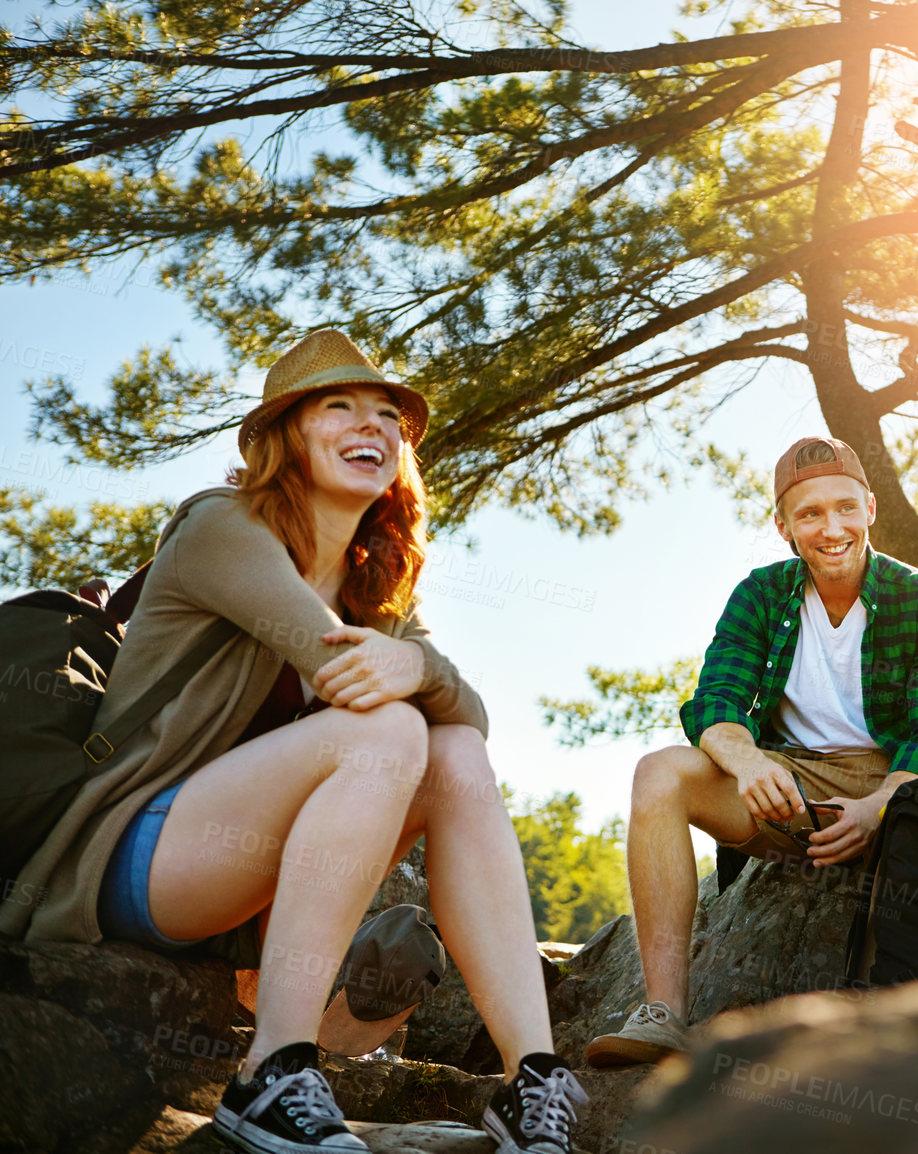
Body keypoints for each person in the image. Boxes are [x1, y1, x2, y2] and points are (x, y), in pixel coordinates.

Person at [0, 331, 586, 1154]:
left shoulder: (373, 584)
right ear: (286, 436)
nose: (371, 425)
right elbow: (340, 671)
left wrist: (410, 656)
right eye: (338, 407)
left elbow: (472, 724)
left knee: (452, 756)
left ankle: (533, 1079)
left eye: (388, 415)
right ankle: (271, 1070)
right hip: (128, 852)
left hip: (233, 878)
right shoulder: (220, 526)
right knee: (388, 725)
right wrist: (409, 667)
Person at [584, 436, 918, 1067]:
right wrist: (749, 762)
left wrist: (877, 808)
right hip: (786, 784)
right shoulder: (760, 595)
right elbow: (714, 706)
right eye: (810, 513)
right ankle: (662, 1014)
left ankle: (899, 1032)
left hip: (894, 788)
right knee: (659, 774)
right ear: (784, 525)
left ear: (871, 508)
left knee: (917, 814)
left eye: (845, 508)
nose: (832, 528)